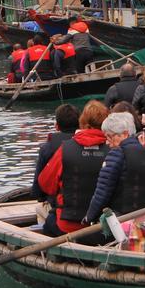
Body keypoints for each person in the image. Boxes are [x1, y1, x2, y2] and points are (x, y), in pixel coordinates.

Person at [37, 101, 110, 237]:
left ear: (82, 121)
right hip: (103, 228)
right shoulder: (113, 151)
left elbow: (46, 185)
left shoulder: (65, 149)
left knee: (47, 223)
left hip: (68, 226)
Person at [83, 112, 145, 225]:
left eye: (110, 136)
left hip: (122, 221)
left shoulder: (117, 154)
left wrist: (88, 218)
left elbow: (101, 193)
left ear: (124, 134)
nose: (107, 142)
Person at [30, 103, 81, 202]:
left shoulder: (47, 148)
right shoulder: (87, 145)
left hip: (57, 203)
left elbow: (38, 187)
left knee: (40, 211)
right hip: (84, 201)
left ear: (57, 126)